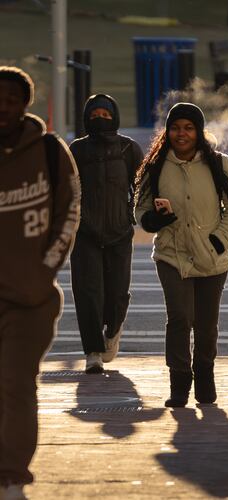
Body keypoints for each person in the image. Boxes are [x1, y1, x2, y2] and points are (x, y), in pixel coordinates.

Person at [134, 102, 228, 408]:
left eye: (188, 128)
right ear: (166, 132)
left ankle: (205, 376)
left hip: (212, 258)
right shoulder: (155, 166)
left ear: (199, 132)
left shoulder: (219, 164)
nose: (181, 134)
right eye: (175, 128)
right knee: (180, 318)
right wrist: (155, 221)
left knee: (206, 323)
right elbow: (141, 209)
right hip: (171, 256)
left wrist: (219, 240)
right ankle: (180, 382)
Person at [0, 66, 80, 499]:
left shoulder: (49, 151)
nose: (3, 106)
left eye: (12, 98)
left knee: (15, 382)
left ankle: (12, 475)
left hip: (30, 299)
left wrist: (45, 268)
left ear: (25, 104)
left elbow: (69, 211)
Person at [69, 94, 144, 374]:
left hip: (120, 233)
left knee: (117, 293)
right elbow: (66, 189)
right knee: (88, 293)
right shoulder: (76, 150)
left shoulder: (128, 149)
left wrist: (137, 215)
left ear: (115, 116)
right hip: (85, 233)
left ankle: (112, 332)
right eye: (94, 114)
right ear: (86, 117)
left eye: (105, 113)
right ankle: (92, 351)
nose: (100, 118)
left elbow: (143, 186)